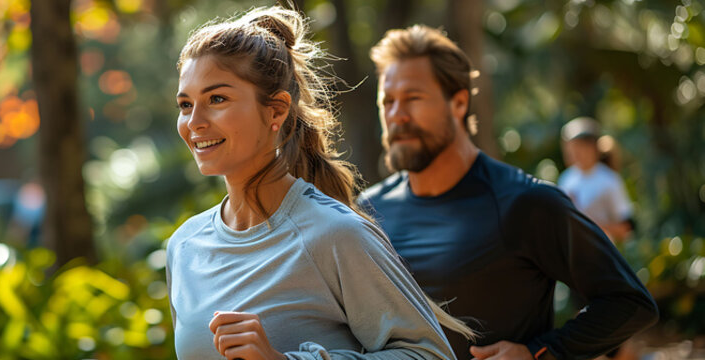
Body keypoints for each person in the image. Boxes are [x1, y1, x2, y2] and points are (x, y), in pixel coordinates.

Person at [164, 7, 477, 360]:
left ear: (276, 110)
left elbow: (431, 354)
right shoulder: (184, 247)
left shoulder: (336, 234)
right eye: (185, 104)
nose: (194, 122)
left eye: (217, 99)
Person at [358, 25, 658, 360]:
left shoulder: (524, 203)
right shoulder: (366, 211)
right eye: (387, 101)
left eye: (413, 98)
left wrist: (539, 353)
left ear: (459, 103)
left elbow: (629, 303)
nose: (396, 115)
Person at [558, 116, 634, 242]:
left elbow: (626, 228)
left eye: (579, 147)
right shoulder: (565, 179)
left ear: (592, 147)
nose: (574, 152)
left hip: (601, 250)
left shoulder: (609, 180)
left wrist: (589, 225)